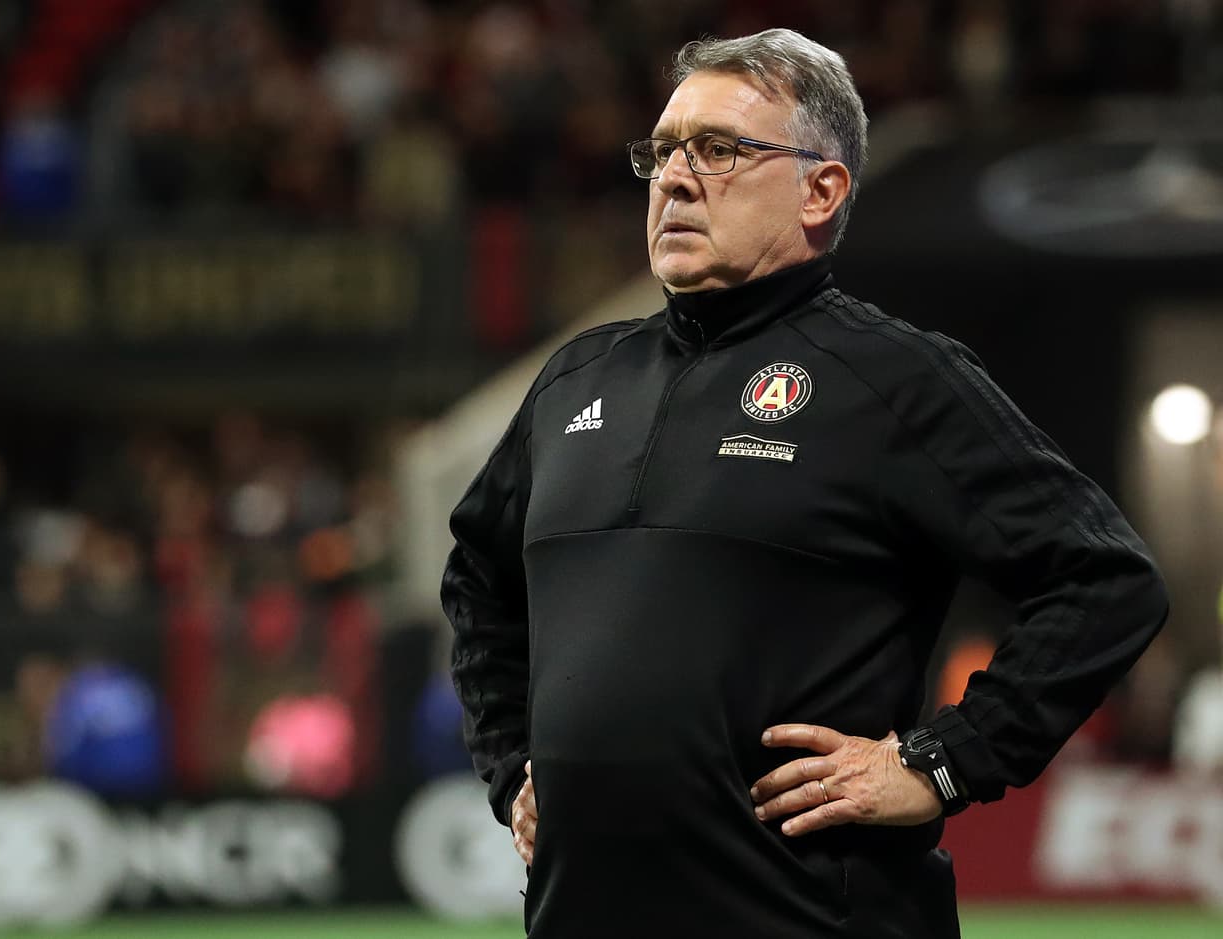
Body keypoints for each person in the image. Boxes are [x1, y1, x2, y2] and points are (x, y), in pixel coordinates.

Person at [440, 27, 1169, 939]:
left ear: (821, 189)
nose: (673, 177)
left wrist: (944, 762)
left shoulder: (896, 379)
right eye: (663, 152)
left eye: (717, 149)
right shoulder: (574, 383)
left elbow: (1106, 579)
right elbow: (477, 580)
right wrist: (512, 765)